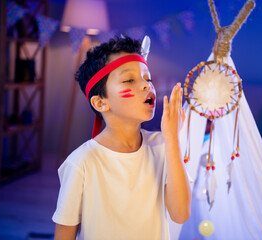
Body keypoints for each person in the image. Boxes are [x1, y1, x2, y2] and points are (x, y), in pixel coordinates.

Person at [52, 36, 191, 240]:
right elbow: (64, 235)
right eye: (129, 80)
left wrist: (172, 140)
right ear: (100, 103)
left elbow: (181, 214)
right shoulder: (81, 162)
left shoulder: (163, 146)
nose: (146, 86)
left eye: (147, 78)